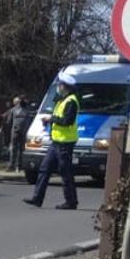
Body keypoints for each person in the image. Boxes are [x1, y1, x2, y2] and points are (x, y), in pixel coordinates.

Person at [26, 74, 81, 210]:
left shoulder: (71, 102)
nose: (58, 87)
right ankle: (37, 198)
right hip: (56, 142)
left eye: (60, 85)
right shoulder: (62, 100)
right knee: (44, 169)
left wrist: (51, 119)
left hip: (65, 143)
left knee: (65, 172)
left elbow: (67, 121)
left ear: (65, 87)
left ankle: (71, 201)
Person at [4, 96, 33, 172]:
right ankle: (12, 165)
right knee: (13, 148)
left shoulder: (28, 110)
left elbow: (31, 121)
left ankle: (20, 165)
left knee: (22, 149)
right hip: (15, 131)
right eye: (21, 100)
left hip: (24, 132)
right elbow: (9, 121)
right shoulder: (14, 110)